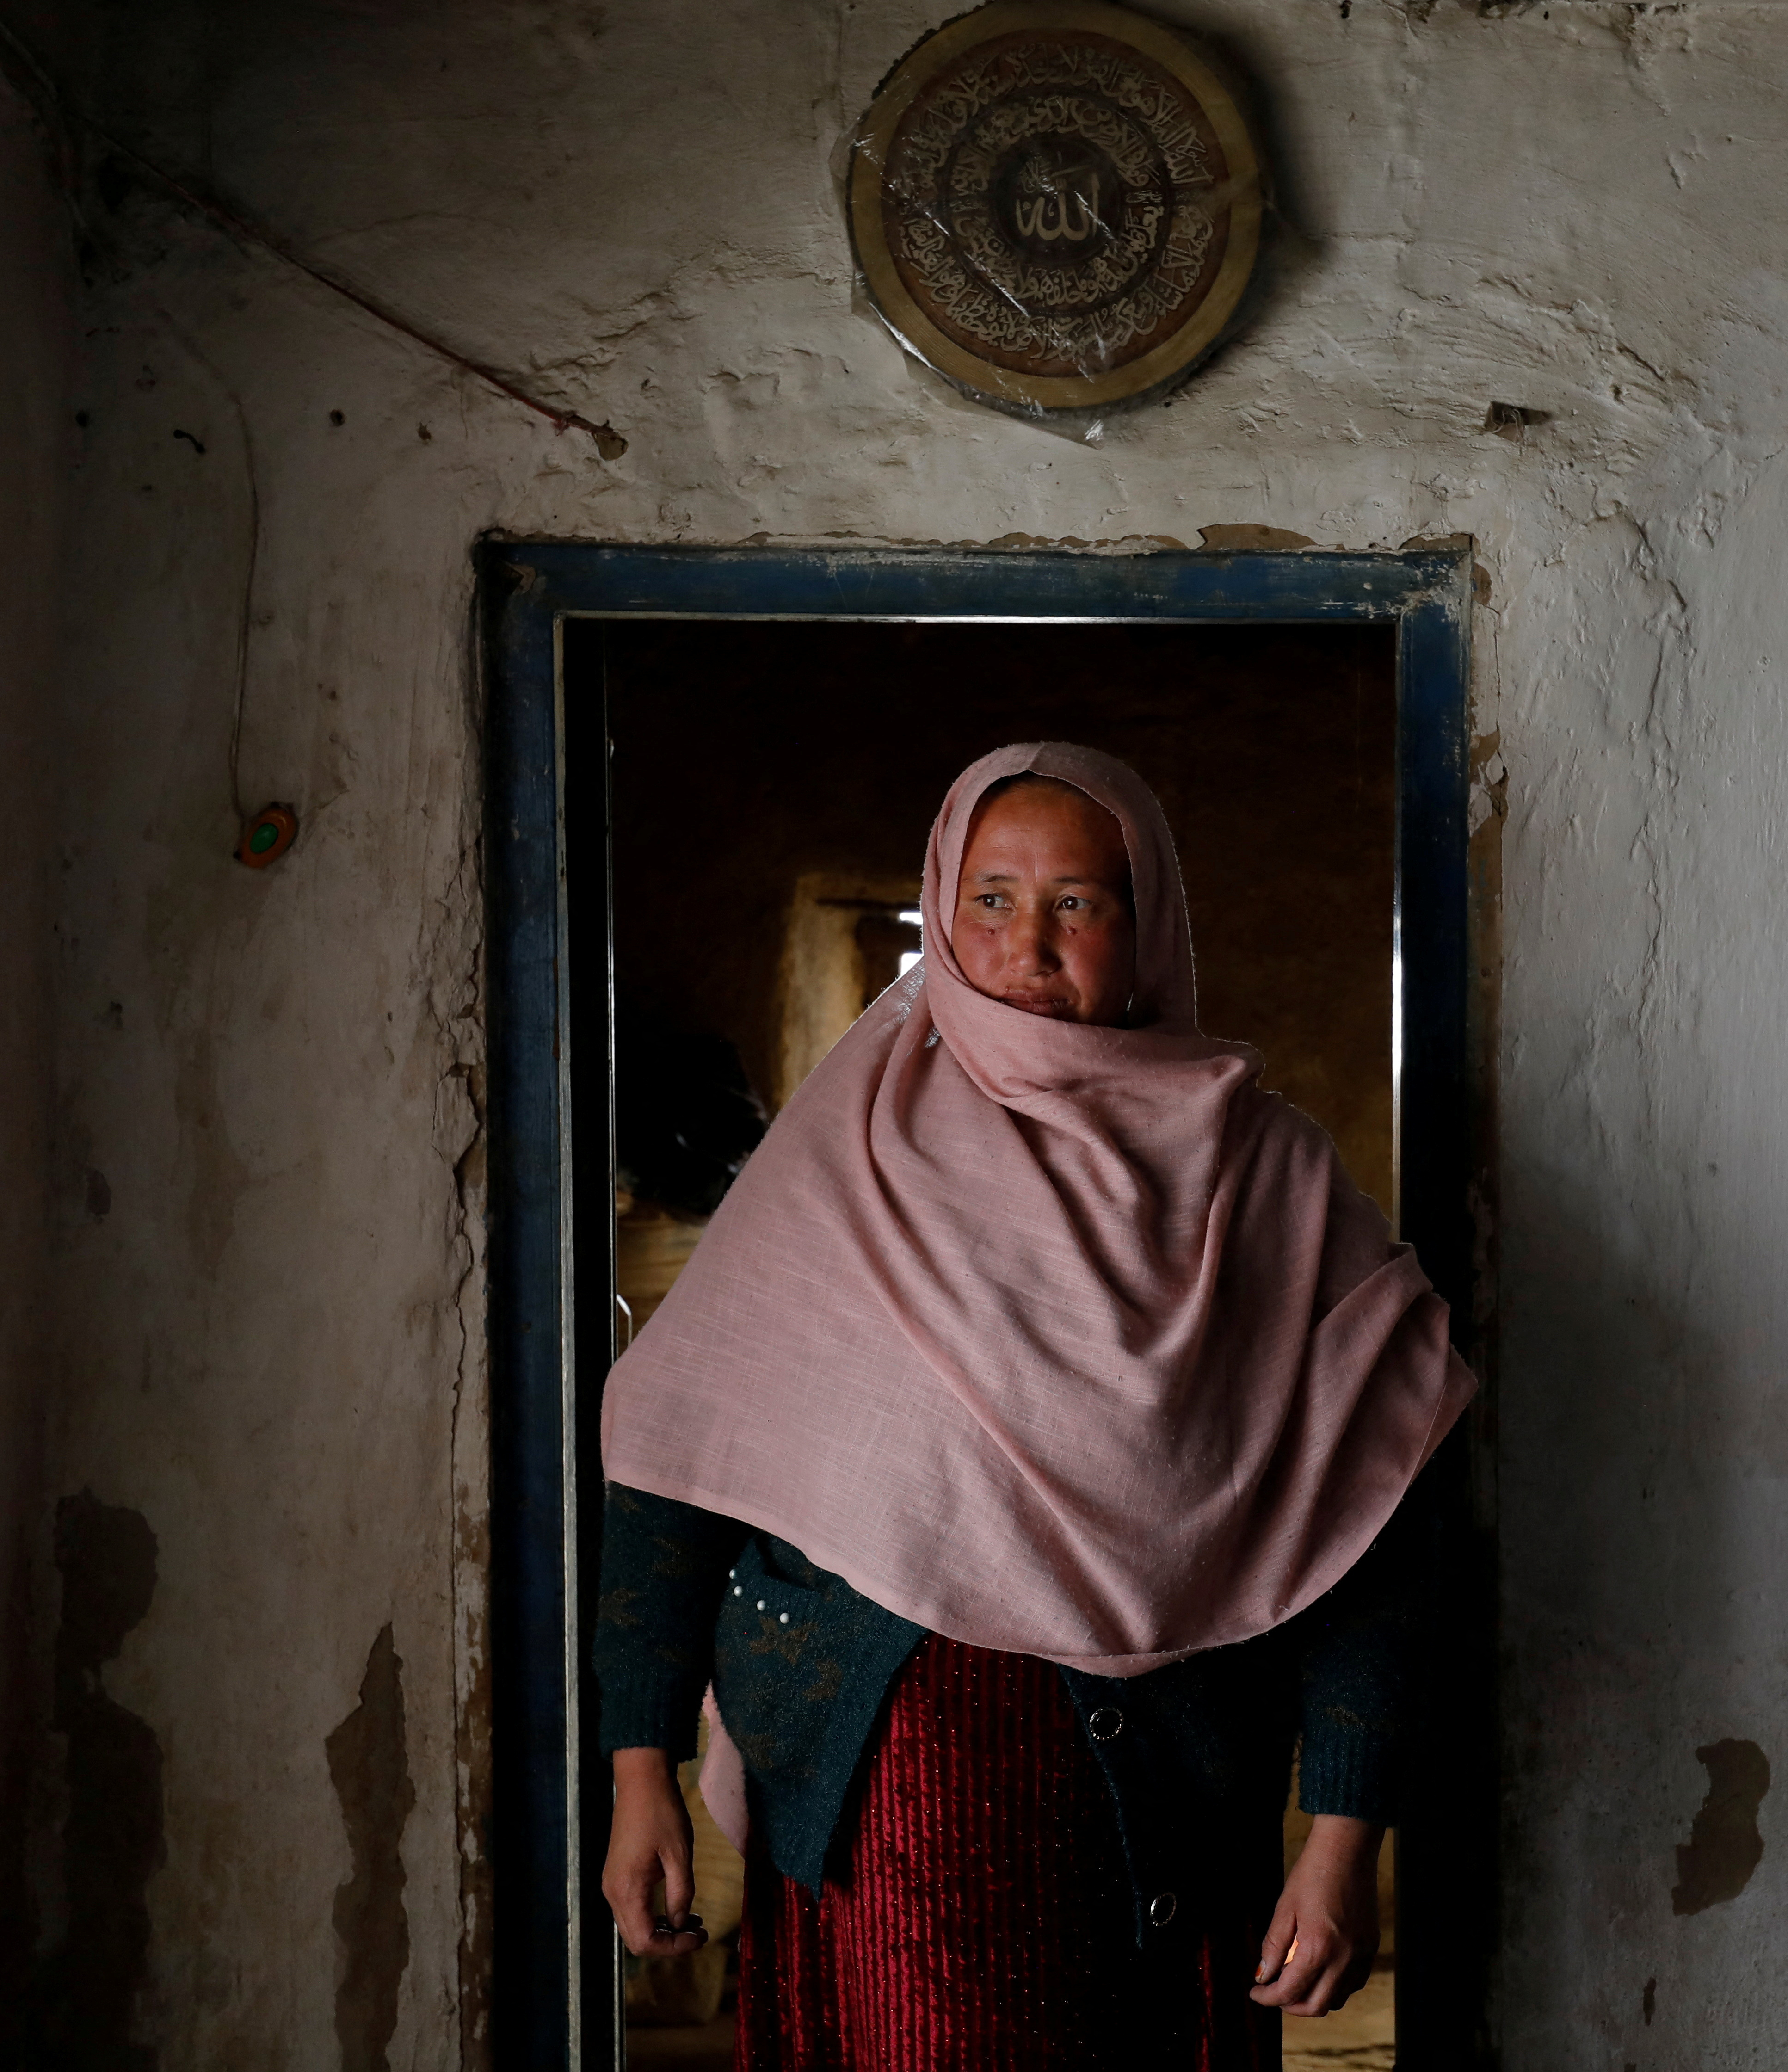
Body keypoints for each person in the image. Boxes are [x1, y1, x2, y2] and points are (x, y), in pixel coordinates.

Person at [594, 742, 1476, 2068]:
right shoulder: (840, 1159)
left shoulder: (1269, 1179)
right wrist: (638, 1771)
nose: (1030, 943)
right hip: (894, 1812)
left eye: (1080, 902)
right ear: (942, 912)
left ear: (1149, 925)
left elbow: (1380, 1525)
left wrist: (1345, 1834)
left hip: (1182, 1811)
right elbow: (677, 1478)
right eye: (992, 899)